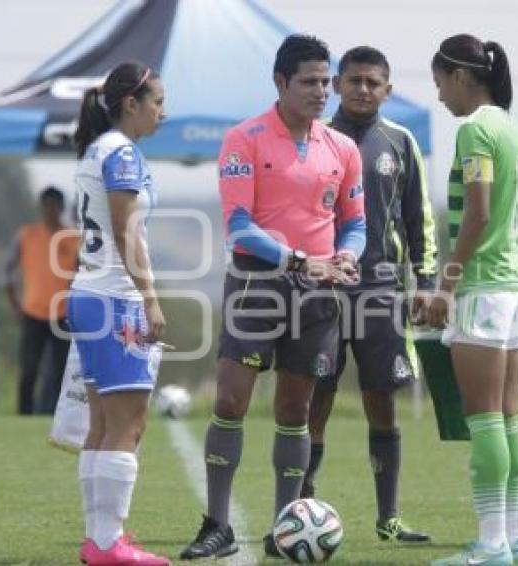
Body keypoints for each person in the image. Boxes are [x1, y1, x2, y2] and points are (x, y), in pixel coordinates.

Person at [180, 34, 365, 560]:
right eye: (310, 82)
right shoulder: (245, 138)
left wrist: (348, 255)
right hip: (257, 284)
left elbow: (355, 223)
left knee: (294, 410)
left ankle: (284, 526)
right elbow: (239, 226)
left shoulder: (342, 148)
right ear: (281, 82)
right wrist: (300, 260)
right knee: (229, 400)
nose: (321, 92)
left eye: (326, 82)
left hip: (319, 293)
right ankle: (216, 525)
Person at [300, 45, 435, 544]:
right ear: (336, 84)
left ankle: (389, 518)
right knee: (317, 398)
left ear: (387, 89)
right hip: (322, 287)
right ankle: (298, 510)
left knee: (383, 401)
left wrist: (426, 279)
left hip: (381, 288)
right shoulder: (316, 140)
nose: (362, 89)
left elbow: (419, 217)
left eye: (372, 82)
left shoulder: (400, 142)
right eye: (353, 80)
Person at [425, 34, 518, 566]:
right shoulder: (511, 126)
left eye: (441, 82)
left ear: (461, 76)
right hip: (516, 282)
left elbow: (477, 213)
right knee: (508, 416)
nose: (441, 96)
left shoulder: (476, 130)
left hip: (484, 284)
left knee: (484, 417)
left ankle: (491, 546)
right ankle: (513, 539)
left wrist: (446, 286)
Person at [69, 61, 169, 566]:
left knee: (102, 424)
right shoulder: (122, 154)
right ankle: (109, 543)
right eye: (157, 102)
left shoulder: (95, 149)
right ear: (131, 103)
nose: (163, 113)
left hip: (88, 293)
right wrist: (150, 297)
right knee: (127, 425)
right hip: (115, 299)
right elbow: (127, 233)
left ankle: (98, 539)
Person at [0, 186, 78, 415]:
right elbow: (5, 272)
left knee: (60, 371)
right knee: (29, 369)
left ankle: (58, 417)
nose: (50, 211)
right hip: (32, 312)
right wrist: (15, 306)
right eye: (46, 207)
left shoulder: (72, 238)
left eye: (54, 207)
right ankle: (24, 416)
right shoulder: (27, 235)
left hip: (63, 314)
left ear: (61, 208)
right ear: (40, 208)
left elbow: (82, 273)